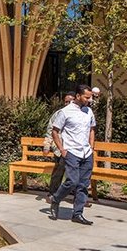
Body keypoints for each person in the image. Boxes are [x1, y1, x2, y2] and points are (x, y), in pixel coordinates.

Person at [49, 85, 96, 225]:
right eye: (87, 97)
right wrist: (62, 149)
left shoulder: (89, 111)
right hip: (71, 152)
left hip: (86, 153)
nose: (89, 100)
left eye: (90, 97)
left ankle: (77, 214)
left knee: (83, 185)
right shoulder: (65, 112)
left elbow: (92, 129)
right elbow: (55, 131)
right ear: (78, 96)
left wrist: (91, 146)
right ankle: (56, 199)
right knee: (72, 181)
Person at [43, 92, 75, 203]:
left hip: (75, 149)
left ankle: (79, 197)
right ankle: (52, 194)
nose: (67, 103)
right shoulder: (59, 114)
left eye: (70, 101)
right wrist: (47, 145)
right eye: (66, 101)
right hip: (60, 149)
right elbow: (50, 130)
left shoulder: (80, 114)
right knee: (58, 172)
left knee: (76, 174)